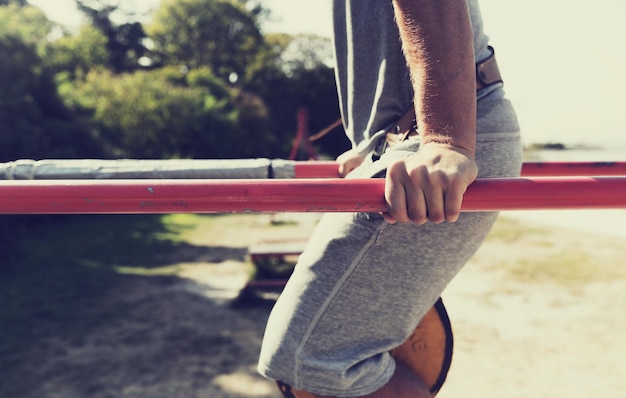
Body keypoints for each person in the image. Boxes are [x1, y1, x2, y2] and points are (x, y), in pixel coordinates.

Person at [258, 0, 522, 396]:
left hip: (435, 144)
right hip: (402, 141)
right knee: (307, 359)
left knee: (307, 359)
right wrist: (374, 142)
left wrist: (446, 138)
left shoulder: (440, 141)